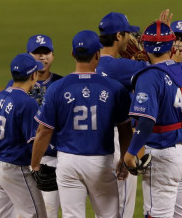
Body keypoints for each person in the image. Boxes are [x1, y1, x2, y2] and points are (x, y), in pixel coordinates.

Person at [30, 30, 133, 218]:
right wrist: (124, 160)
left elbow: (43, 131)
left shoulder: (57, 88)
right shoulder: (114, 88)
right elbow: (125, 129)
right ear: (97, 55)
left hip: (68, 162)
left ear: (72, 54)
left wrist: (35, 165)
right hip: (101, 163)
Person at [124, 21, 182, 218]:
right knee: (181, 215)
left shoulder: (149, 77)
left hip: (165, 156)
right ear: (172, 45)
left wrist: (130, 153)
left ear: (145, 46)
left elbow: (147, 121)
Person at [96, 13, 148, 217]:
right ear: (118, 36)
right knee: (122, 210)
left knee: (103, 211)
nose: (130, 39)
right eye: (127, 34)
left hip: (92, 142)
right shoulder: (118, 66)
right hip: (119, 141)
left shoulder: (92, 64)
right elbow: (157, 70)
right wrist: (147, 52)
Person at [0, 53, 47, 218]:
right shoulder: (27, 102)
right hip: (15, 168)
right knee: (36, 215)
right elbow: (35, 139)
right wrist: (36, 166)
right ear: (33, 75)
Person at [6, 34, 63, 218]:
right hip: (21, 161)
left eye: (46, 52)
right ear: (28, 55)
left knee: (47, 211)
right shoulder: (15, 86)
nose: (42, 57)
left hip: (52, 161)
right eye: (36, 53)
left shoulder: (62, 84)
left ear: (53, 55)